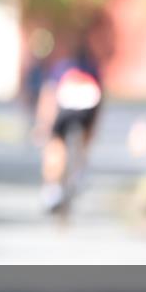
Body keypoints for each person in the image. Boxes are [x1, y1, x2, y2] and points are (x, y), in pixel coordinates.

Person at [35, 43, 103, 216]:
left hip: (66, 104)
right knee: (82, 143)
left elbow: (49, 95)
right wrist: (92, 131)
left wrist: (43, 124)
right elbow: (100, 99)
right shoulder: (92, 68)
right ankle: (79, 172)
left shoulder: (60, 67)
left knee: (55, 144)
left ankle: (52, 189)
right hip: (89, 105)